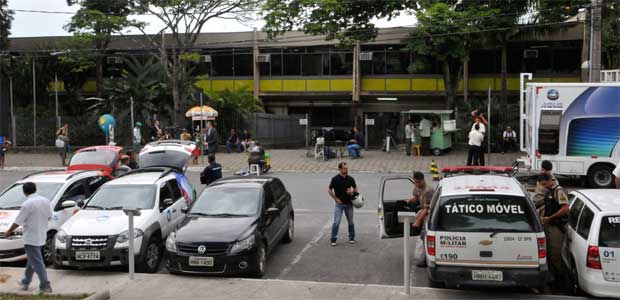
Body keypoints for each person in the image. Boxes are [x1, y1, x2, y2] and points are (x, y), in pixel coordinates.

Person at [4, 182, 53, 293]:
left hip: (31, 238)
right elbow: (49, 216)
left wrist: (9, 231)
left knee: (37, 262)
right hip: (41, 235)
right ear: (35, 189)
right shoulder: (45, 201)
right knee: (32, 260)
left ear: (24, 191)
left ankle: (45, 285)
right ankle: (26, 281)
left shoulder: (27, 204)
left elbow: (18, 221)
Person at [538, 173, 569, 289]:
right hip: (549, 226)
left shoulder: (559, 191)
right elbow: (549, 205)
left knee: (555, 255)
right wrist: (540, 210)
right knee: (549, 254)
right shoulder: (549, 191)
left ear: (550, 180)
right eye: (542, 185)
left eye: (545, 184)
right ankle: (553, 279)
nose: (544, 187)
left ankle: (561, 284)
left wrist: (550, 218)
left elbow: (565, 208)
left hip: (557, 227)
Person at [406, 172, 435, 267]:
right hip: (422, 210)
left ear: (423, 180)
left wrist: (418, 221)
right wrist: (411, 200)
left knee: (425, 235)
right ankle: (425, 253)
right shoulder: (417, 187)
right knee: (422, 235)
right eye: (415, 182)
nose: (417, 184)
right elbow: (416, 196)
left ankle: (426, 258)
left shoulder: (428, 190)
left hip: (430, 213)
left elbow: (427, 208)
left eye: (418, 182)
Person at [328, 162, 358, 246]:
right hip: (339, 204)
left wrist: (352, 192)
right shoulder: (335, 179)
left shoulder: (351, 179)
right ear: (340, 169)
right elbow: (329, 190)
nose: (346, 170)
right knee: (336, 222)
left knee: (351, 222)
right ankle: (333, 239)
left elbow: (356, 189)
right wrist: (336, 199)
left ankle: (351, 237)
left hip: (349, 204)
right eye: (345, 168)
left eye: (347, 168)